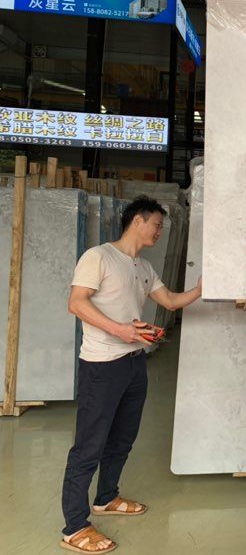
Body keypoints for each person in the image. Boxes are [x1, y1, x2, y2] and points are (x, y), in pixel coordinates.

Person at [60, 196, 202, 554]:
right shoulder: (99, 257)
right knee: (89, 445)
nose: (159, 231)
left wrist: (202, 289)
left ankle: (106, 497)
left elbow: (170, 301)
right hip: (101, 365)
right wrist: (120, 329)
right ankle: (74, 526)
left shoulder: (143, 267)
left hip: (134, 362)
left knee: (123, 438)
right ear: (137, 221)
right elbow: (76, 303)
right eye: (156, 224)